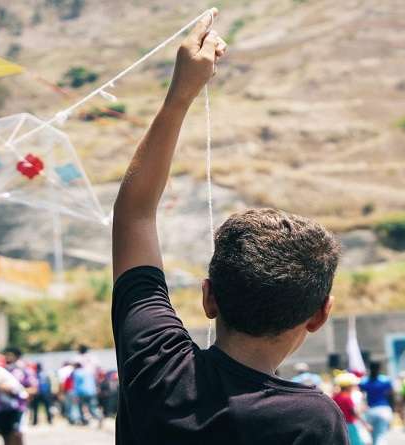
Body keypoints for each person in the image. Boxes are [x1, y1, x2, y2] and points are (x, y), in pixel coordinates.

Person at [110, 9, 347, 444]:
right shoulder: (311, 419)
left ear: (209, 297)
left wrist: (179, 96)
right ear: (320, 314)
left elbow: (134, 215)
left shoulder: (156, 367)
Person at [0, 347, 36, 445]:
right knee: (5, 435)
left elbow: (33, 389)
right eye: (6, 355)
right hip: (0, 408)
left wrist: (16, 391)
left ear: (17, 357)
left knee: (17, 434)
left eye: (10, 355)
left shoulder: (24, 371)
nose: (7, 357)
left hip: (17, 408)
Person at [360, 361, 393, 445]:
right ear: (380, 369)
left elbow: (362, 396)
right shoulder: (386, 380)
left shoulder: (364, 382)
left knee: (372, 436)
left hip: (370, 410)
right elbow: (390, 396)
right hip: (384, 409)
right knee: (381, 435)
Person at [333, 373, 366, 445]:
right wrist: (365, 424)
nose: (354, 387)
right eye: (353, 385)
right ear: (348, 386)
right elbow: (354, 412)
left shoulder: (335, 397)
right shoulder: (347, 398)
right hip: (350, 425)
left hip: (339, 426)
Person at [72, 361, 101, 427]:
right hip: (92, 391)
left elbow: (76, 384)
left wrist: (75, 395)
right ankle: (99, 417)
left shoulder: (76, 372)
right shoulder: (88, 372)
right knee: (92, 407)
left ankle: (83, 421)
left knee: (80, 407)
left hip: (82, 392)